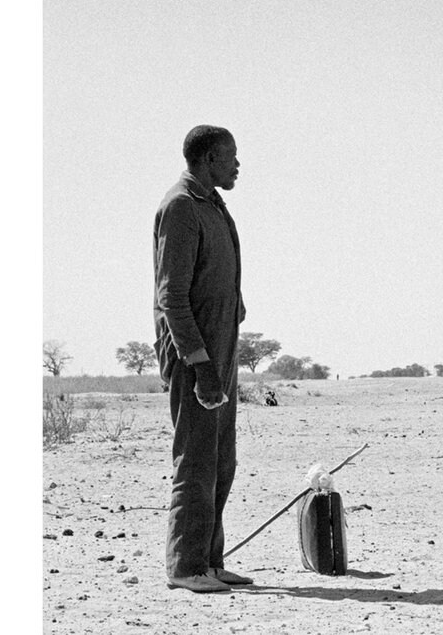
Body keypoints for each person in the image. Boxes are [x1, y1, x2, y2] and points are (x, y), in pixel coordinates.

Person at [154, 125, 251, 593]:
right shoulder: (180, 207)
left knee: (221, 460)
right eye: (231, 156)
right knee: (195, 461)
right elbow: (172, 298)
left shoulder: (212, 205)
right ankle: (185, 567)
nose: (237, 165)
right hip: (197, 360)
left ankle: (209, 562)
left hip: (222, 352)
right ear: (210, 157)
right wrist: (202, 367)